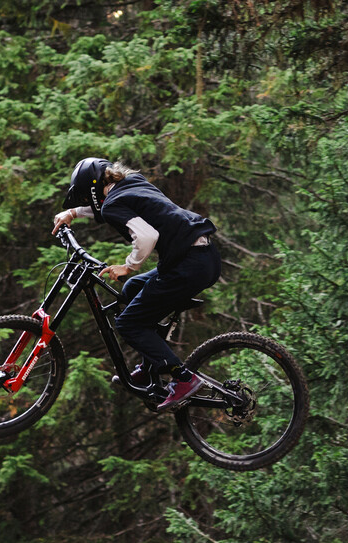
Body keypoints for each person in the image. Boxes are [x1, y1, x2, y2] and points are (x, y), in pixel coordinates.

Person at [52, 158, 221, 411]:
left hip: (188, 266)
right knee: (131, 289)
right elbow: (112, 208)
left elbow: (146, 236)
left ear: (92, 190)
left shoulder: (112, 203)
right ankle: (151, 364)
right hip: (201, 258)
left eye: (85, 200)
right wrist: (74, 213)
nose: (87, 205)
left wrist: (129, 266)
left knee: (129, 323)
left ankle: (183, 378)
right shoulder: (132, 183)